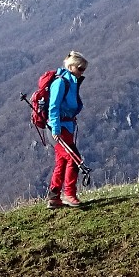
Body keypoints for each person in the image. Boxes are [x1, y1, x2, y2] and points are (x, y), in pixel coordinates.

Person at [46, 51, 88, 209]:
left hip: (66, 126)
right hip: (57, 128)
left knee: (62, 161)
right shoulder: (61, 83)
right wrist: (56, 129)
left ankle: (54, 197)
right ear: (71, 67)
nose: (82, 72)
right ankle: (69, 194)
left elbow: (67, 106)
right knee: (73, 158)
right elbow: (53, 107)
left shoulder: (71, 83)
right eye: (80, 68)